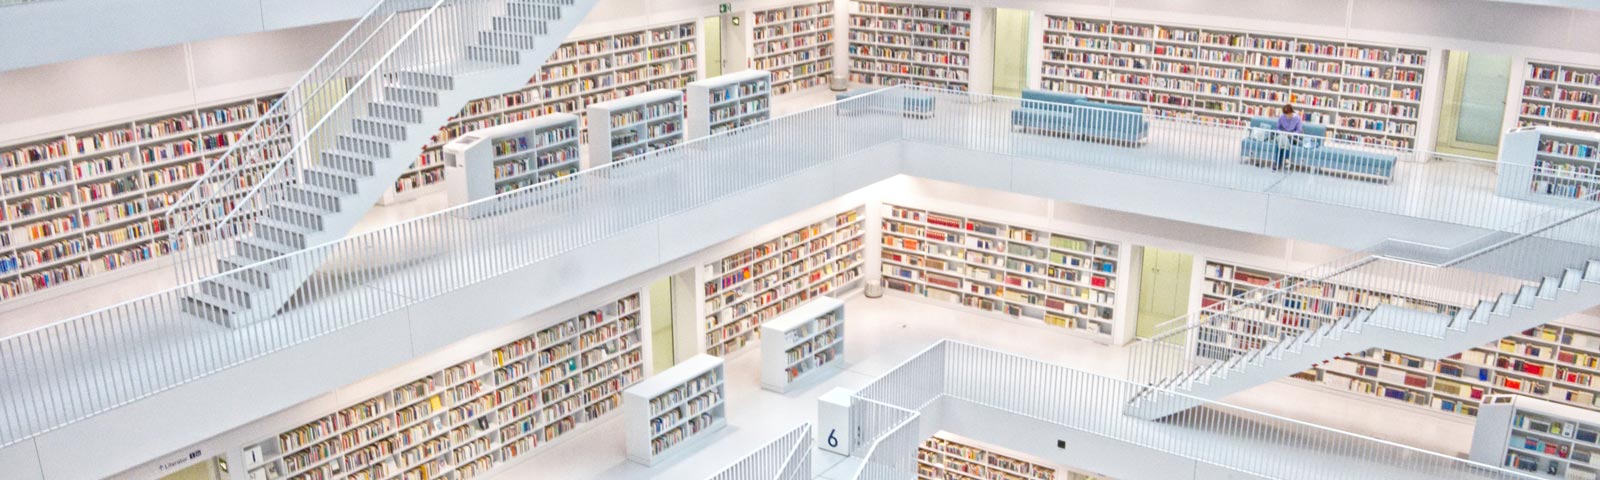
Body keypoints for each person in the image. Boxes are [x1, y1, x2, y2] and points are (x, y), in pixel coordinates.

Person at [1274, 103, 1304, 171]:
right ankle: (1287, 160)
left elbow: (1299, 130)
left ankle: (1277, 164)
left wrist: (1292, 134)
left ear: (1292, 112)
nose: (1287, 116)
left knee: (1281, 142)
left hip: (1292, 137)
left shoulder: (1297, 118)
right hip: (1281, 135)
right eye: (1285, 114)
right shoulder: (1282, 117)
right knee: (1282, 139)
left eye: (1289, 114)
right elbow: (1277, 128)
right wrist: (1280, 132)